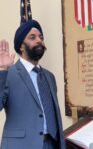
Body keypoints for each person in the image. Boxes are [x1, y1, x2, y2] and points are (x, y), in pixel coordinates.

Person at [0, 20, 65, 149]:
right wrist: (2, 70)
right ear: (21, 46)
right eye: (32, 37)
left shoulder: (49, 76)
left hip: (51, 144)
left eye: (41, 37)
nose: (39, 40)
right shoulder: (8, 73)